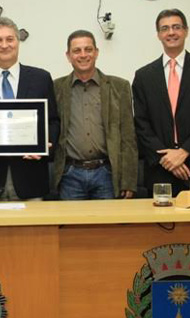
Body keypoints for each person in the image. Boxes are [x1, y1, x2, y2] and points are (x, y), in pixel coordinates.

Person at [0, 17, 60, 201]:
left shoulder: (41, 78)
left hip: (30, 178)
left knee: (35, 230)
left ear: (18, 42)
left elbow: (53, 121)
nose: (4, 45)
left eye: (10, 39)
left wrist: (46, 145)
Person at [132, 8, 190, 196]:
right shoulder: (144, 76)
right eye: (165, 28)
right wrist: (168, 158)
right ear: (158, 35)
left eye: (176, 27)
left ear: (186, 31)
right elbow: (141, 123)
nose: (171, 32)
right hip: (160, 167)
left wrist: (184, 152)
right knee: (162, 223)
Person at [53, 30, 137, 200]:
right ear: (68, 56)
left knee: (107, 226)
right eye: (77, 51)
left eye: (88, 49)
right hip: (70, 175)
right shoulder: (56, 88)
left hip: (106, 173)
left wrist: (128, 180)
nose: (83, 55)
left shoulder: (119, 87)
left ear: (96, 53)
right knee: (71, 226)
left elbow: (128, 137)